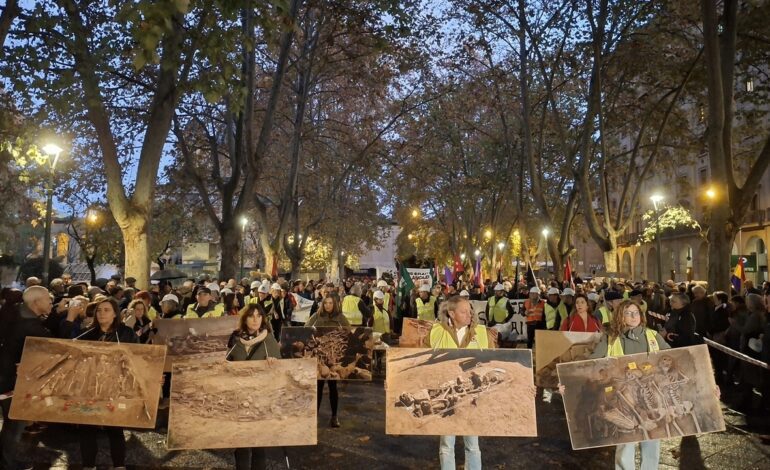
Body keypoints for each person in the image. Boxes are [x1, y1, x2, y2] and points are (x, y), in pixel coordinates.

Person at [586, 300, 670, 470]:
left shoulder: (654, 336)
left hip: (648, 395)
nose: (633, 316)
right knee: (626, 444)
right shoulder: (609, 339)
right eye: (628, 313)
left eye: (636, 313)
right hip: (623, 398)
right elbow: (592, 363)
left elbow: (673, 359)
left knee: (652, 441)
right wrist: (565, 381)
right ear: (620, 316)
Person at [64, 297, 137, 470]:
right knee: (87, 428)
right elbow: (69, 350)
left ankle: (119, 465)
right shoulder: (87, 333)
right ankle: (88, 465)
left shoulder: (126, 333)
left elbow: (138, 358)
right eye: (99, 310)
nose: (101, 313)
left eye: (106, 310)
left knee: (115, 428)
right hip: (89, 388)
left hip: (115, 388)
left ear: (114, 314)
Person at [425, 296, 487, 470]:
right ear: (451, 313)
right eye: (464, 311)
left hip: (473, 395)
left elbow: (494, 362)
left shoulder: (481, 332)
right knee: (446, 444)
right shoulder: (436, 332)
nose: (470, 315)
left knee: (473, 444)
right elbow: (418, 363)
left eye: (470, 310)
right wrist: (394, 382)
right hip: (446, 395)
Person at [0, 286, 52, 470]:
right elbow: (51, 345)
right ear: (36, 302)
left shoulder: (11, 313)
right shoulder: (30, 325)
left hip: (5, 376)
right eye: (48, 299)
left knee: (12, 423)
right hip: (11, 381)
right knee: (15, 424)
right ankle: (7, 464)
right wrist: (68, 319)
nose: (51, 303)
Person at [225, 303, 280, 470]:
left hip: (260, 399)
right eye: (251, 316)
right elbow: (226, 364)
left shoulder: (268, 339)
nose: (255, 319)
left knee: (258, 443)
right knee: (241, 443)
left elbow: (280, 372)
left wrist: (274, 364)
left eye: (258, 315)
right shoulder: (234, 339)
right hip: (239, 398)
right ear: (245, 318)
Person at [306, 294, 350, 428]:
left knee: (333, 388)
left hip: (334, 357)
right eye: (326, 303)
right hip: (319, 357)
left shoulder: (340, 317)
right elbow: (306, 327)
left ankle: (334, 416)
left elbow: (349, 332)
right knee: (318, 387)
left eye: (330, 303)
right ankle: (315, 416)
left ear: (334, 304)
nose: (328, 305)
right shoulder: (317, 315)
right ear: (322, 304)